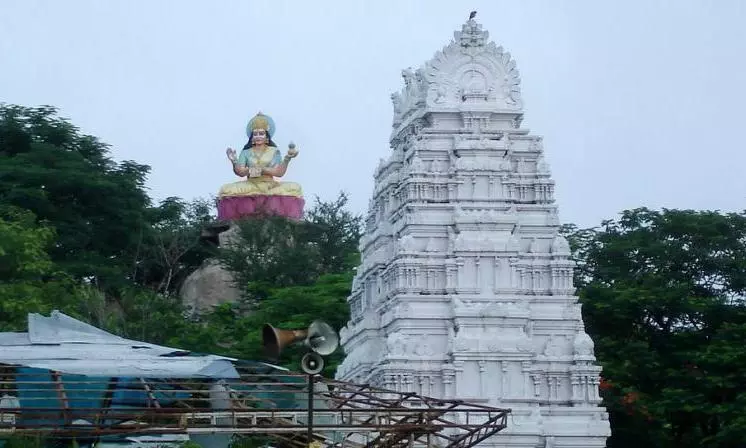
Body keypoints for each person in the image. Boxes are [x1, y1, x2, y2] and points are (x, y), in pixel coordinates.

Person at [217, 112, 304, 220]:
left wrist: (287, 158)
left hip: (270, 185)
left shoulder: (274, 151)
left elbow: (279, 172)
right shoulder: (246, 152)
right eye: (255, 134)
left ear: (266, 136)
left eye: (261, 133)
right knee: (225, 190)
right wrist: (234, 161)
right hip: (251, 184)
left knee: (295, 188)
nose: (258, 136)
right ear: (252, 137)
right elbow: (240, 172)